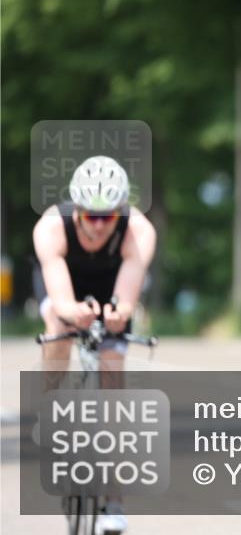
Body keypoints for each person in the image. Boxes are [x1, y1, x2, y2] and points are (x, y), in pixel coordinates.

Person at [33, 155, 157, 535]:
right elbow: (57, 285)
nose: (99, 225)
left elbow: (127, 291)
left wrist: (119, 313)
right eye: (91, 216)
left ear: (120, 212)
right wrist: (73, 312)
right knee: (57, 321)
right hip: (64, 286)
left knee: (111, 376)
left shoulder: (139, 230)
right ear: (77, 210)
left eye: (108, 217)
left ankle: (113, 503)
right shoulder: (52, 225)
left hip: (111, 288)